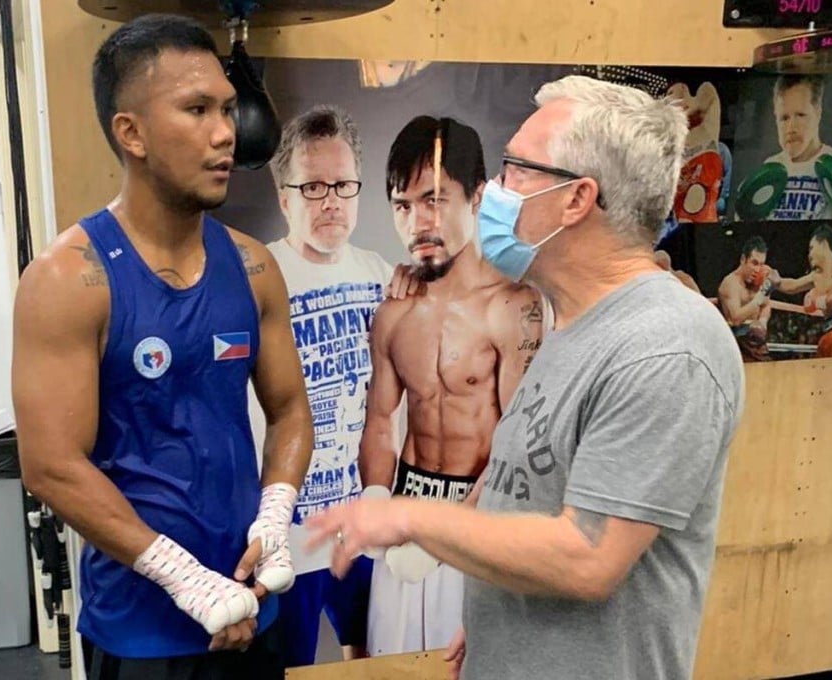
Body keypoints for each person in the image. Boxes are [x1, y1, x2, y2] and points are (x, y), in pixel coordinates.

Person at [307, 75, 744, 680]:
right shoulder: (568, 316)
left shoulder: (666, 347)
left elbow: (588, 557)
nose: (496, 192)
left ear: (575, 199)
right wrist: (490, 617)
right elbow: (527, 483)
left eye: (516, 170)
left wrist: (408, 517)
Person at [11, 15, 312, 680]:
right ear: (132, 133)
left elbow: (289, 409)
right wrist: (185, 579)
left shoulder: (253, 267)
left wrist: (275, 515)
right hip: (142, 632)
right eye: (197, 109)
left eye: (228, 109)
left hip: (253, 605)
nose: (225, 133)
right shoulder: (70, 280)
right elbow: (52, 466)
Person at [358, 115, 543, 657]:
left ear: (479, 196)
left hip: (476, 533)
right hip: (405, 518)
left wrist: (453, 530)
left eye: (435, 199)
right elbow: (378, 423)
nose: (420, 220)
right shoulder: (394, 312)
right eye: (403, 205)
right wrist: (375, 500)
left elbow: (519, 446)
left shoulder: (514, 308)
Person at [251, 105, 393, 667]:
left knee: (376, 660)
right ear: (283, 196)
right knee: (290, 667)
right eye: (312, 186)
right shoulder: (259, 277)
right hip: (291, 530)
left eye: (342, 184)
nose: (330, 199)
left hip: (363, 520)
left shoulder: (383, 275)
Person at [743, 75, 832, 221]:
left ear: (818, 113)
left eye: (800, 115)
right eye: (784, 118)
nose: (791, 128)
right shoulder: (769, 167)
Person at [769, 223, 832, 357]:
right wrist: (777, 282)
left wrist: (820, 302)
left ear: (823, 244)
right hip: (828, 330)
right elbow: (793, 285)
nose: (809, 254)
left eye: (811, 248)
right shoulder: (816, 276)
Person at [667, 81, 724, 223]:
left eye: (670, 94)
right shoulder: (675, 134)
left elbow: (703, 103)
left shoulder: (706, 93)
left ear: (683, 88)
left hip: (704, 170)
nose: (667, 100)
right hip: (682, 183)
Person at [718, 236, 774, 361]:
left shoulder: (761, 279)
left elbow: (766, 304)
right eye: (754, 263)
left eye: (761, 264)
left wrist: (763, 321)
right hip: (737, 343)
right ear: (743, 259)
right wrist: (758, 299)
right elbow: (735, 318)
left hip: (758, 343)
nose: (757, 269)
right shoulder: (731, 283)